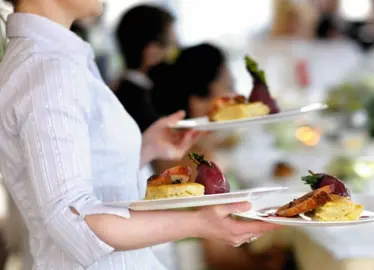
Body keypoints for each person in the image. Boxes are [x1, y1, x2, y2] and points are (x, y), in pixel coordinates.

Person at [0, 1, 280, 270]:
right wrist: (199, 223)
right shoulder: (47, 68)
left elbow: (74, 178)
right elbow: (73, 220)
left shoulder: (56, 57)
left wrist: (144, 149)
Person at [149, 43, 292, 270]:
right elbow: (219, 257)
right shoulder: (200, 162)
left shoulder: (171, 146)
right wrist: (273, 261)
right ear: (198, 100)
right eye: (228, 87)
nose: (237, 97)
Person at [114, 4, 177, 132]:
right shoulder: (138, 104)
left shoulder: (120, 90)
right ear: (151, 51)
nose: (173, 53)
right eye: (171, 45)